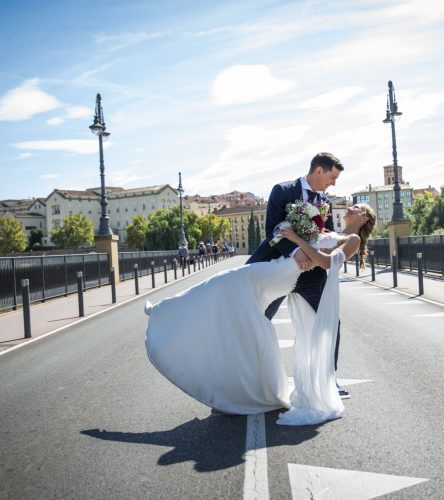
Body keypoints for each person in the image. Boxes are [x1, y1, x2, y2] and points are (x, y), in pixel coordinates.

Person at [144, 203, 376, 425]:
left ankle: (166, 311)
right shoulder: (330, 232)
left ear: (364, 218)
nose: (349, 208)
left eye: (356, 208)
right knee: (223, 287)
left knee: (225, 283)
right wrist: (300, 240)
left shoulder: (352, 240)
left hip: (283, 274)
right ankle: (169, 311)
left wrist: (296, 239)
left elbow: (325, 263)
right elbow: (312, 254)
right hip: (281, 270)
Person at [246, 153, 351, 398]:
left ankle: (329, 380)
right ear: (318, 171)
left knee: (330, 321)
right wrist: (295, 253)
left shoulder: (326, 200)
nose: (333, 183)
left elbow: (329, 233)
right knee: (258, 320)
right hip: (279, 269)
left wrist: (326, 250)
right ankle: (245, 382)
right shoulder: (282, 191)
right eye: (332, 177)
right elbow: (272, 229)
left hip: (311, 274)